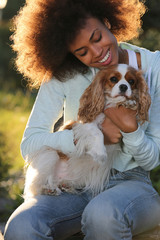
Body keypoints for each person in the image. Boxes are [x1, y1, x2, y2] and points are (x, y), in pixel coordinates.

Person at [4, 0, 160, 239]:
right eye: (82, 52)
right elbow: (30, 144)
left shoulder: (154, 67)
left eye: (97, 38)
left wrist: (131, 131)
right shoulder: (64, 74)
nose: (97, 53)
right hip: (74, 181)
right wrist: (81, 139)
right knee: (22, 226)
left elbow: (151, 161)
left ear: (108, 21)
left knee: (103, 215)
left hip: (131, 183)